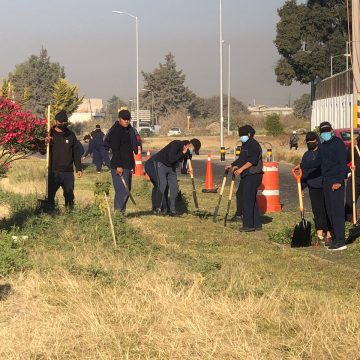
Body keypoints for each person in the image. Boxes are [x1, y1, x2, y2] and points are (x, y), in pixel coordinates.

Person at [144, 138, 201, 216]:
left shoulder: (188, 153)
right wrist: (182, 152)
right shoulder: (176, 144)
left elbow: (183, 168)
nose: (192, 151)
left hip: (171, 168)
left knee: (175, 188)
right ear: (190, 144)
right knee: (162, 184)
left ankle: (172, 210)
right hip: (161, 164)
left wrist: (186, 171)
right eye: (193, 149)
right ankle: (158, 208)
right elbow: (171, 159)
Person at [227, 125, 263, 232]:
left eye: (243, 135)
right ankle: (256, 224)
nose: (241, 137)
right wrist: (232, 165)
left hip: (253, 175)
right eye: (240, 135)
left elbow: (252, 161)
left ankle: (248, 225)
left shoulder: (253, 144)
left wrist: (241, 169)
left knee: (247, 199)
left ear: (248, 134)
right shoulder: (245, 144)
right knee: (250, 199)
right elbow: (242, 159)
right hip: (247, 175)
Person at [319, 121, 348, 251]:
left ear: (331, 130)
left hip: (336, 181)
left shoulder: (338, 144)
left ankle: (341, 241)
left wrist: (339, 181)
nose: (325, 134)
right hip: (326, 181)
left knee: (337, 211)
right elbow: (319, 161)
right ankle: (335, 238)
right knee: (329, 211)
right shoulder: (323, 145)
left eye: (327, 131)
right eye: (322, 132)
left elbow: (343, 164)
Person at [298, 132, 331, 243]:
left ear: (317, 141)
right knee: (317, 210)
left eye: (311, 141)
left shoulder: (323, 153)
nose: (309, 143)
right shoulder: (307, 155)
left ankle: (329, 232)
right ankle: (319, 232)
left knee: (326, 209)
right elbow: (304, 173)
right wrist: (302, 187)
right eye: (307, 141)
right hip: (313, 186)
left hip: (325, 185)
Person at [47, 110, 82, 209]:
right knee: (50, 195)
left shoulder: (71, 135)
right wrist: (46, 142)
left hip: (68, 172)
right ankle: (50, 213)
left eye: (65, 122)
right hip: (54, 171)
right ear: (56, 122)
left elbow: (76, 152)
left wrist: (78, 168)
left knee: (69, 195)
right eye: (61, 122)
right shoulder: (50, 134)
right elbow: (42, 150)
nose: (63, 124)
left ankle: (69, 213)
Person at [106, 110, 138, 213]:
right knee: (121, 191)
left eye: (128, 119)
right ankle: (118, 214)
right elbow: (115, 150)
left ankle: (121, 213)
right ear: (119, 119)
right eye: (124, 119)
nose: (126, 121)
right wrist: (119, 166)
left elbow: (130, 149)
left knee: (127, 190)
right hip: (118, 165)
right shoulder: (116, 131)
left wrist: (133, 164)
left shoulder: (129, 130)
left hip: (128, 165)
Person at [345, 134, 360, 222]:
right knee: (350, 202)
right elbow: (348, 159)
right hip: (356, 177)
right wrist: (352, 147)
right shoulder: (356, 143)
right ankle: (351, 222)